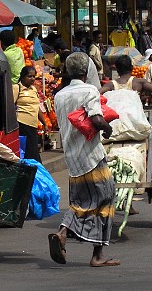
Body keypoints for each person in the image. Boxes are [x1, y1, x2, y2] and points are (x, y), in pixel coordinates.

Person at [49, 52, 119, 267]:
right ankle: (97, 254)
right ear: (86, 70)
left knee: (81, 202)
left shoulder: (59, 95)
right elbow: (96, 118)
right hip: (91, 156)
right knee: (106, 198)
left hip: (72, 158)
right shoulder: (89, 90)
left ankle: (63, 232)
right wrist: (107, 129)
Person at [13, 66, 50, 162]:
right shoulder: (17, 88)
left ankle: (34, 173)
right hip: (22, 124)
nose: (32, 79)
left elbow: (37, 108)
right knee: (29, 152)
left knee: (32, 151)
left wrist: (45, 123)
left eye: (34, 76)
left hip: (32, 126)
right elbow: (10, 106)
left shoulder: (33, 89)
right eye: (29, 76)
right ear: (22, 77)